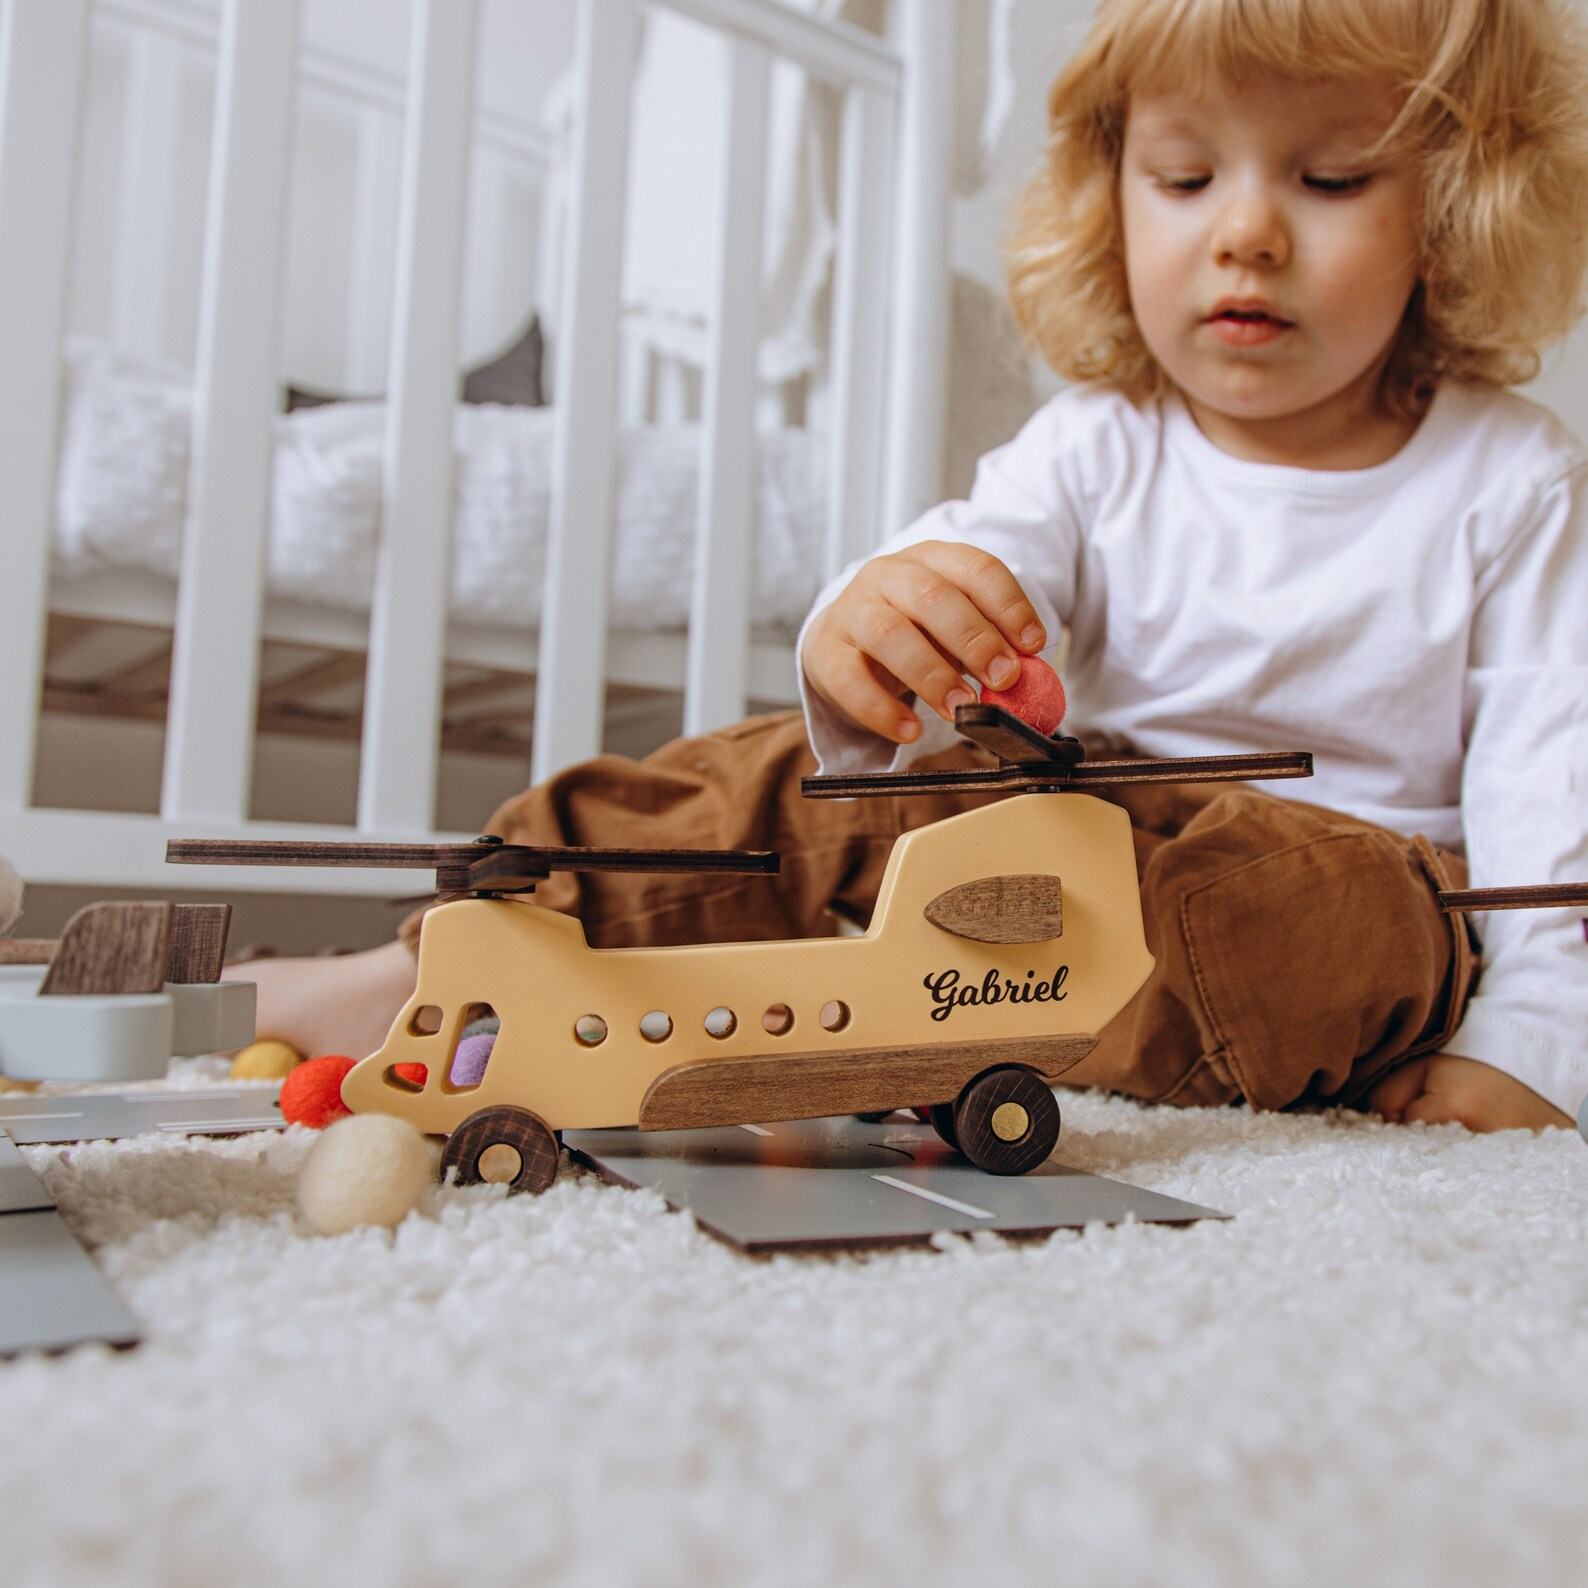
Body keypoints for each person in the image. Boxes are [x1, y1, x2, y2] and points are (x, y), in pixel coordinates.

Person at [250, 0, 1588, 1134]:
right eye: (1185, 180)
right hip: (1086, 841)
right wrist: (877, 631)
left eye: (1332, 179)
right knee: (785, 772)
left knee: (1311, 911)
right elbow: (971, 563)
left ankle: (951, 1022)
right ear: (1116, 198)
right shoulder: (1096, 445)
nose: (1246, 232)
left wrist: (1532, 1041)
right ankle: (459, 960)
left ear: (1457, 208)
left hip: (1357, 893)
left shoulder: (1510, 478)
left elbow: (1552, 781)